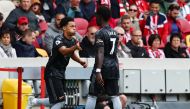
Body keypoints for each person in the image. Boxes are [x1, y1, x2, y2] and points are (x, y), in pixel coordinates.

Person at [44, 17, 87, 109]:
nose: (74, 28)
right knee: (60, 101)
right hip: (52, 72)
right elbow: (64, 51)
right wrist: (75, 47)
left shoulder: (72, 40)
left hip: (61, 72)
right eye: (71, 26)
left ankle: (34, 101)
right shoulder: (58, 38)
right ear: (64, 28)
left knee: (56, 100)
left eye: (75, 26)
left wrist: (80, 61)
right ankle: (34, 101)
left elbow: (70, 53)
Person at [85, 6, 122, 109]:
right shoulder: (115, 33)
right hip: (113, 67)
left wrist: (98, 70)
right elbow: (115, 52)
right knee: (114, 96)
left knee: (92, 95)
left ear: (99, 16)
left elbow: (100, 52)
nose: (95, 18)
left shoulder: (100, 33)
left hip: (102, 67)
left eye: (96, 16)